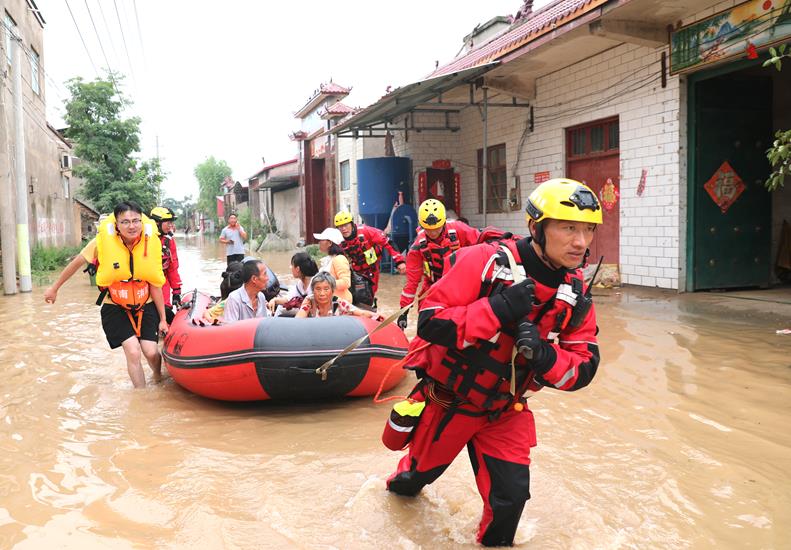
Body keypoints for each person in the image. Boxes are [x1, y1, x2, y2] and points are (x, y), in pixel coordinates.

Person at [385, 178, 603, 546]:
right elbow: (432, 321)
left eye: (588, 230)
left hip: (505, 410)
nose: (581, 242)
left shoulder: (575, 293)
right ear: (536, 227)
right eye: (569, 228)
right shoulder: (483, 261)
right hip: (450, 401)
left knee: (510, 502)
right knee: (411, 482)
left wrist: (544, 355)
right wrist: (497, 309)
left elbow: (584, 367)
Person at [43, 201, 169, 388]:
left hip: (146, 303)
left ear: (142, 222)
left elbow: (155, 284)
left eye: (136, 221)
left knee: (151, 352)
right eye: (125, 222)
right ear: (116, 224)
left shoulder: (150, 242)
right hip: (115, 305)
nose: (132, 226)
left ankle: (157, 377)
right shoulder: (102, 241)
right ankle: (141, 396)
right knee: (133, 351)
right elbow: (76, 264)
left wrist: (163, 319)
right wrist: (55, 288)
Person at [398, 199, 480, 329]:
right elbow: (412, 282)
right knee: (426, 320)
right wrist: (404, 311)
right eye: (428, 230)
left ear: (443, 222)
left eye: (437, 229)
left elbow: (482, 242)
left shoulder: (459, 229)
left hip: (461, 283)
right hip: (434, 285)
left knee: (470, 318)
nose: (433, 233)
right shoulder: (417, 248)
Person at [334, 211, 406, 307]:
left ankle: (369, 309)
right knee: (351, 297)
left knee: (367, 296)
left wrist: (399, 261)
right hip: (354, 271)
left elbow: (388, 243)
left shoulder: (366, 231)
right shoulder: (338, 240)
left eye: (346, 225)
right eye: (340, 226)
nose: (343, 229)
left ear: (351, 224)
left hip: (371, 270)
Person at [295, 272, 384, 321]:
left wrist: (377, 315)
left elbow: (361, 313)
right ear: (313, 290)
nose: (322, 293)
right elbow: (299, 318)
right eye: (318, 289)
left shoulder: (339, 303)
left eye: (326, 289)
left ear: (332, 291)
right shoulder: (310, 300)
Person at [150, 206, 183, 324]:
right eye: (168, 223)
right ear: (156, 223)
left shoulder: (169, 241)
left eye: (171, 223)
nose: (171, 226)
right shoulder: (143, 239)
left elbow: (172, 268)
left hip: (162, 285)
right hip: (144, 286)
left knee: (166, 313)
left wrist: (176, 291)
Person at [267, 252, 319, 316]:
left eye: (292, 265)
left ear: (297, 269)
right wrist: (274, 300)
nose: (290, 267)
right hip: (305, 313)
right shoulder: (300, 285)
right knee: (280, 307)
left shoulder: (316, 284)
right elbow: (287, 299)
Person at [223, 258, 272, 323]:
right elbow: (229, 327)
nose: (268, 278)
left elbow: (264, 324)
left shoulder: (261, 297)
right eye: (265, 274)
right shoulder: (234, 299)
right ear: (254, 279)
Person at [313, 227, 353, 302]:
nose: (319, 242)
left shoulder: (339, 259)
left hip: (340, 303)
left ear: (330, 243)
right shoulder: (328, 260)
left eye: (322, 240)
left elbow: (346, 282)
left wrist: (325, 283)